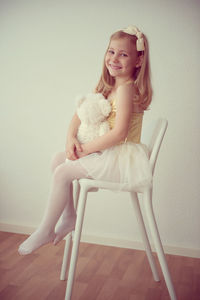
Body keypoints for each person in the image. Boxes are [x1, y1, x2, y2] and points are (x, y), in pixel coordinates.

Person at [18, 25, 153, 255]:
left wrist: (86, 150)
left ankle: (46, 229)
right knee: (57, 160)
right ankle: (69, 215)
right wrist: (71, 139)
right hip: (107, 154)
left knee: (63, 172)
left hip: (121, 160)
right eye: (111, 51)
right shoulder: (107, 86)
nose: (114, 58)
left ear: (138, 61)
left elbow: (120, 134)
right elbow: (78, 115)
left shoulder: (127, 90)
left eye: (123, 54)